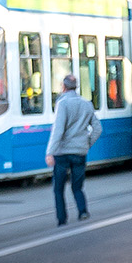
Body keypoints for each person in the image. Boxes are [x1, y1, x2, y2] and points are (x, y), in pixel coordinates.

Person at [47, 71, 100, 224]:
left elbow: (58, 130)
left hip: (62, 153)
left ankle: (62, 219)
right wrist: (86, 144)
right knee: (77, 186)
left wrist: (50, 152)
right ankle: (83, 211)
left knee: (58, 189)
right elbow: (98, 129)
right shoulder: (86, 104)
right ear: (76, 87)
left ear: (63, 87)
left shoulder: (62, 103)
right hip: (79, 153)